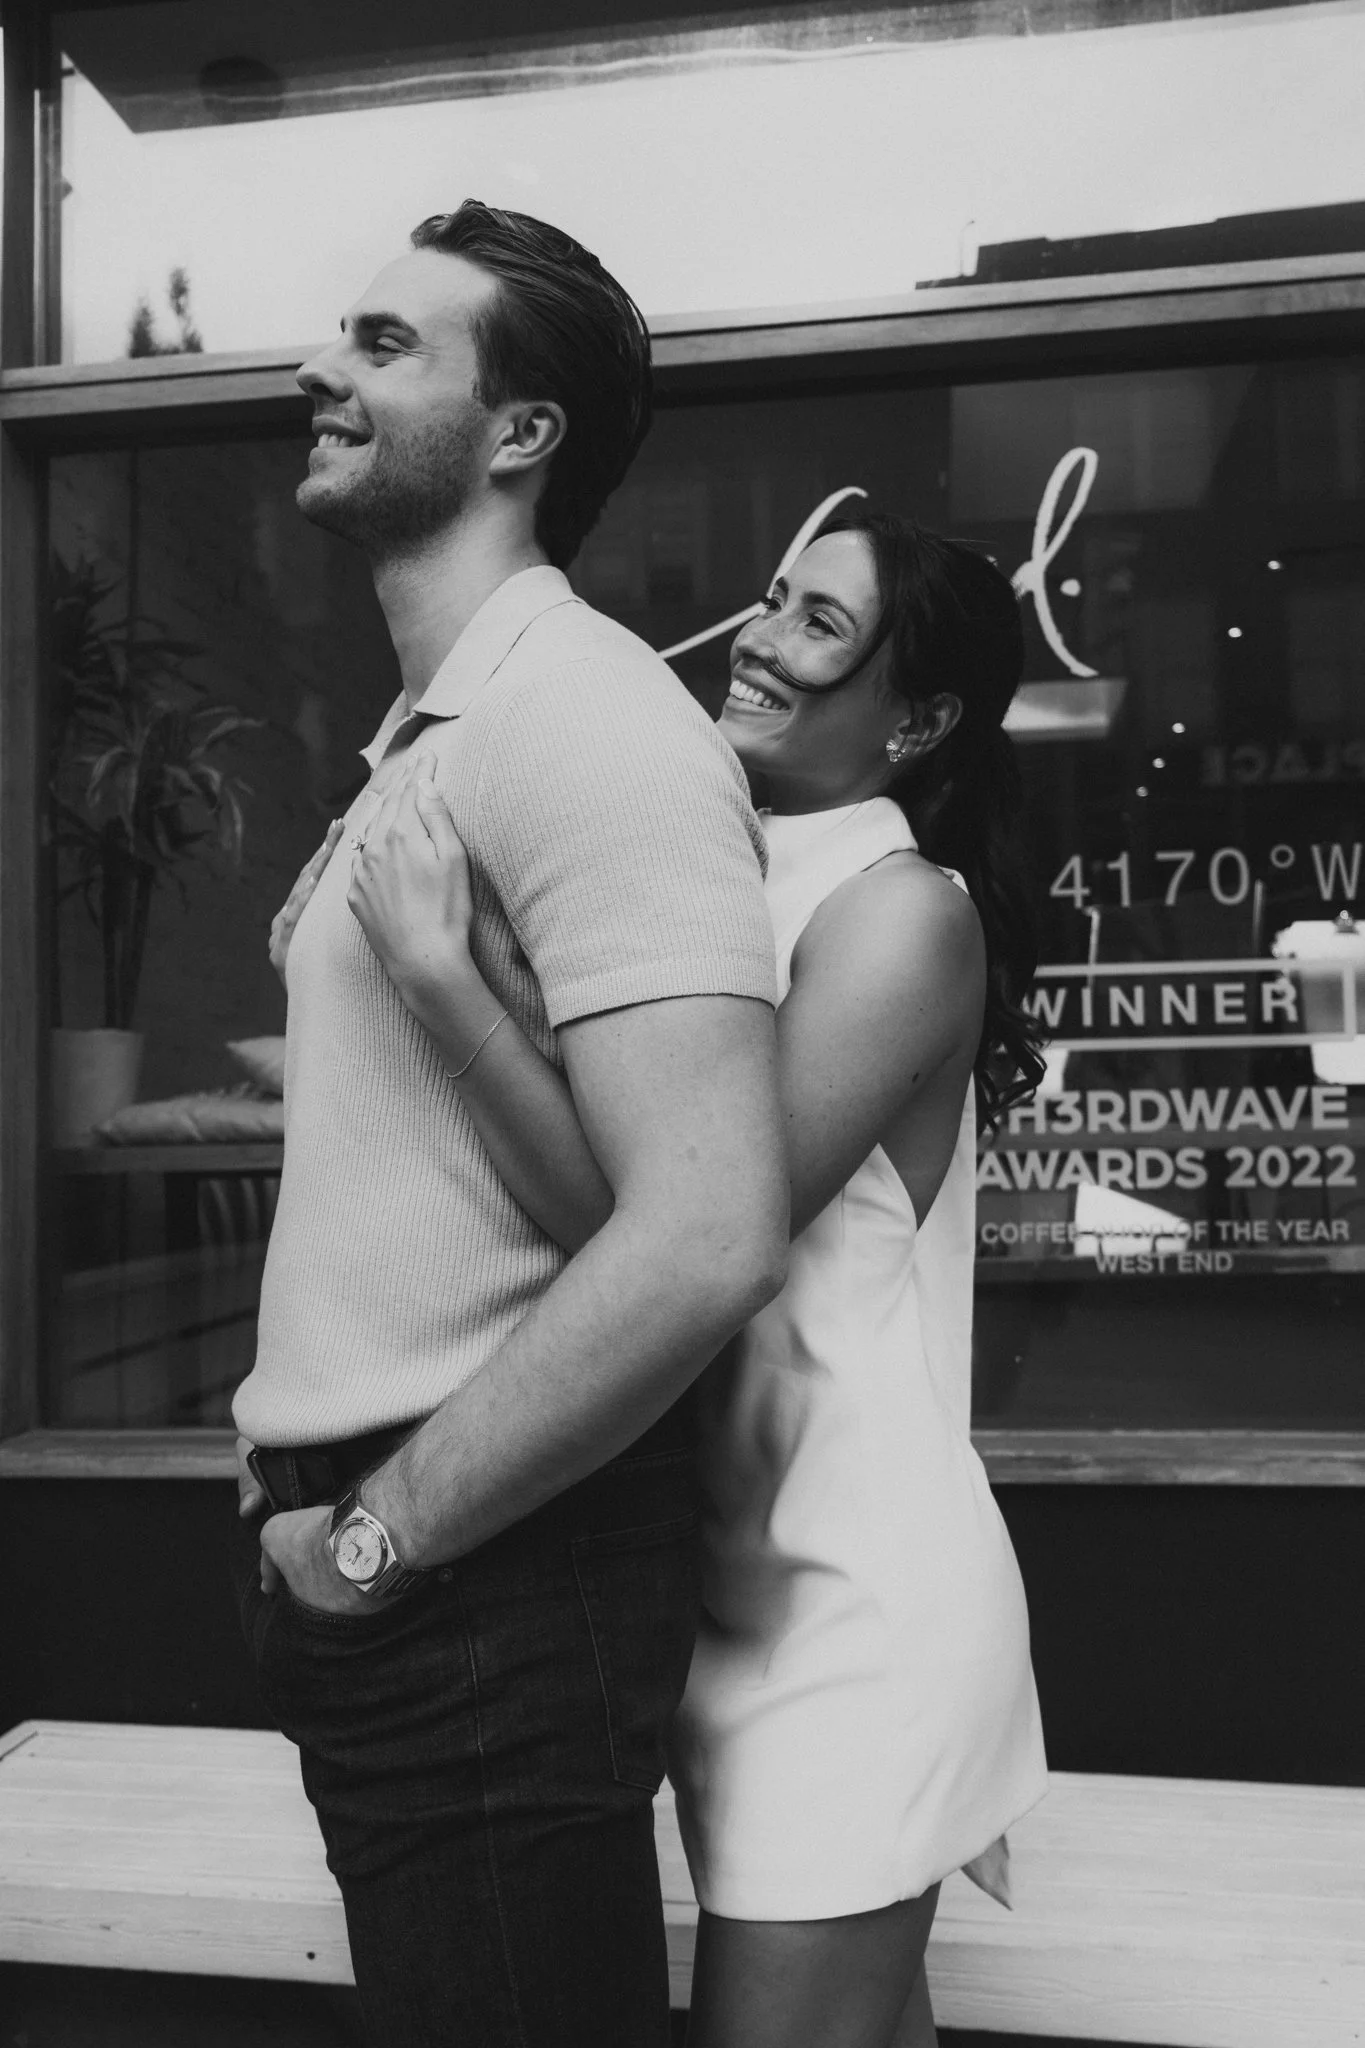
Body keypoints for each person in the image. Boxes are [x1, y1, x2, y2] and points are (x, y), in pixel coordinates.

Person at [353, 508, 1049, 2048]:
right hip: (718, 1590)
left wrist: (435, 975)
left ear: (918, 719)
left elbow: (672, 1239)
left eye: (819, 626)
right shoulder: (716, 871)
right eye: (773, 596)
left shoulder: (900, 916)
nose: (757, 634)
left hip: (854, 1614)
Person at [229, 201, 789, 2048]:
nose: (319, 365)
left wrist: (382, 1540)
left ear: (523, 433)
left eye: (388, 345)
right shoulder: (440, 730)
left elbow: (705, 1232)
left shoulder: (585, 721)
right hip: (423, 1582)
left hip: (480, 1584)